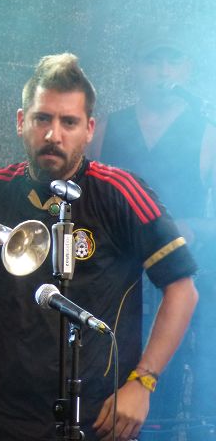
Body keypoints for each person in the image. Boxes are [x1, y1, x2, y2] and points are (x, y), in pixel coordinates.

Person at [0, 53, 198, 441]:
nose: (54, 134)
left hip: (100, 418)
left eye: (69, 122)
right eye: (42, 119)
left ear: (89, 129)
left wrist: (143, 382)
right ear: (21, 121)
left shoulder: (121, 192)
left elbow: (182, 288)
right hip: (4, 417)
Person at [99, 33, 216, 424]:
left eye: (173, 60)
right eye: (153, 60)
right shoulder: (106, 128)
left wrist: (192, 227)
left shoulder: (208, 131)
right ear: (135, 68)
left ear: (188, 69)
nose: (163, 70)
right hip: (115, 281)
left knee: (175, 397)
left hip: (180, 280)